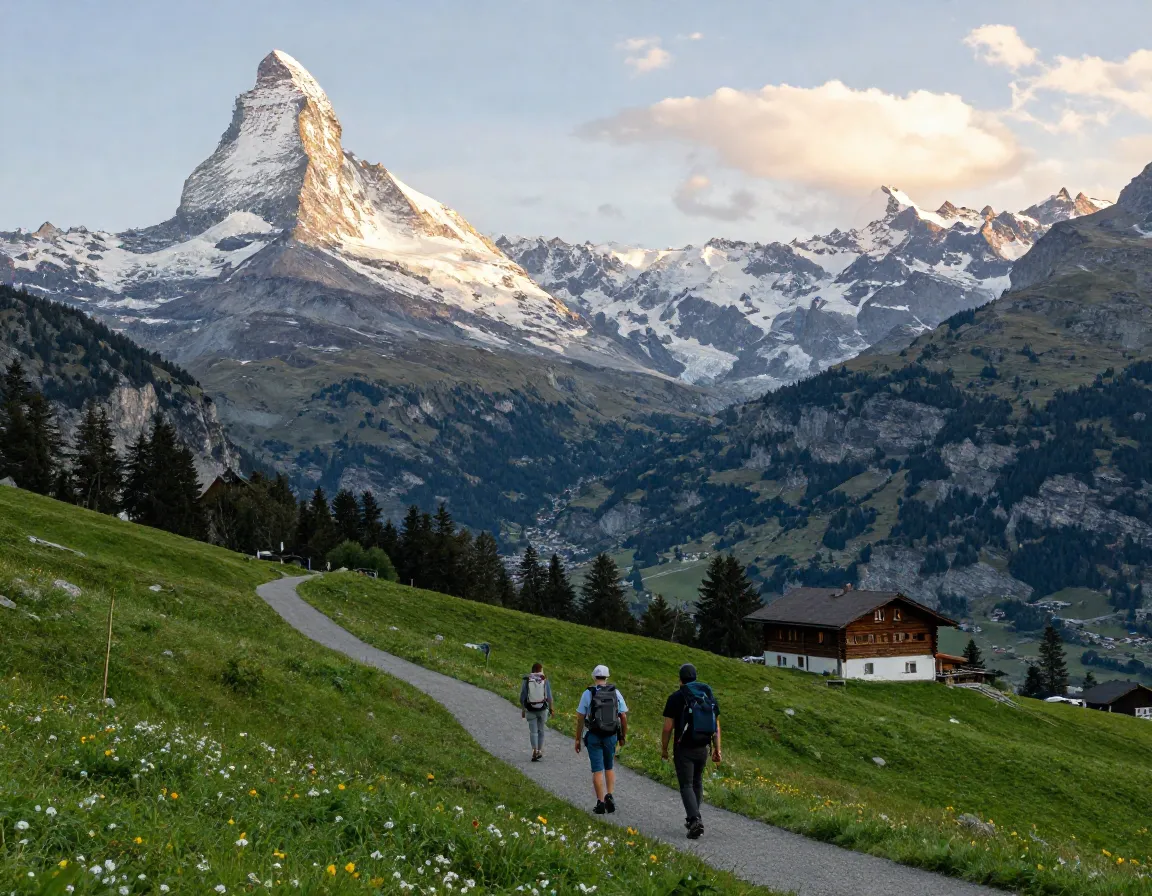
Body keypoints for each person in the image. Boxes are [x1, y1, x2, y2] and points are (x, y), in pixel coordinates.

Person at [661, 663, 721, 839]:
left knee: (686, 784)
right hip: (703, 747)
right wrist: (717, 749)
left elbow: (667, 728)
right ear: (695, 677)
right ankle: (694, 817)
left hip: (683, 747)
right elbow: (716, 726)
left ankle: (695, 820)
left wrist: (664, 748)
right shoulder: (707, 696)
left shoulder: (676, 698)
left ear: (680, 679)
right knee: (697, 782)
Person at [574, 664, 628, 814]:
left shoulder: (588, 693)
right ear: (607, 677)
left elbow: (580, 718)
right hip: (611, 735)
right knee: (609, 766)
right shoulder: (615, 693)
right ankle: (610, 795)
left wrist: (578, 739)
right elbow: (623, 715)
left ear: (594, 677)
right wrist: (622, 735)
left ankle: (600, 802)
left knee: (597, 770)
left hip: (594, 735)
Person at [519, 662, 554, 762]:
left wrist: (523, 709)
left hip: (530, 709)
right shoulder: (544, 680)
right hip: (542, 709)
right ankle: (539, 750)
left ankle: (534, 750)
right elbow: (549, 697)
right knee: (541, 730)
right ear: (540, 670)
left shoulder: (527, 680)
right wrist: (551, 709)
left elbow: (522, 697)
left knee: (533, 731)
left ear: (532, 670)